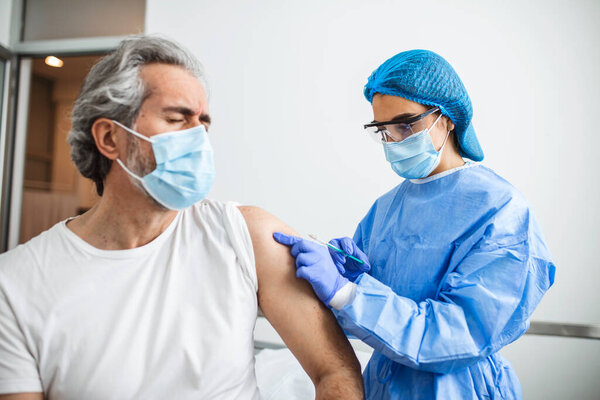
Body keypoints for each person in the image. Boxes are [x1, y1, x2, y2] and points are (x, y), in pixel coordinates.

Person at [0, 35, 364, 400]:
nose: (198, 140)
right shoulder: (15, 285)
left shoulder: (245, 236)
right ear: (110, 137)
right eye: (176, 118)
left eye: (203, 124)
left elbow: (335, 372)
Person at [274, 49, 556, 399]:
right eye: (383, 130)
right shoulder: (385, 210)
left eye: (406, 124)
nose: (394, 140)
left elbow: (459, 335)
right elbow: (369, 325)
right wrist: (351, 280)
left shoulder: (501, 210)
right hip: (383, 386)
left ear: (448, 118)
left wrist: (350, 294)